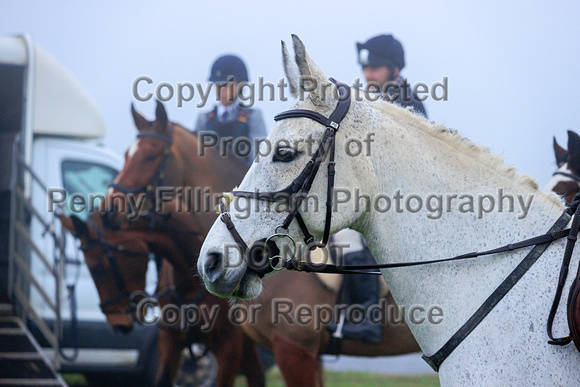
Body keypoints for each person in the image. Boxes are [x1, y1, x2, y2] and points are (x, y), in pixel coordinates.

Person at [194, 54, 267, 166]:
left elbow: (258, 158)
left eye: (227, 85)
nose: (221, 90)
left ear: (240, 85)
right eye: (217, 85)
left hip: (243, 180)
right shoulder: (204, 119)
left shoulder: (253, 117)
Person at [356, 34, 428, 118]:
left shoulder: (408, 105)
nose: (367, 75)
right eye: (364, 68)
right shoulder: (372, 98)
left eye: (374, 68)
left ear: (395, 70)